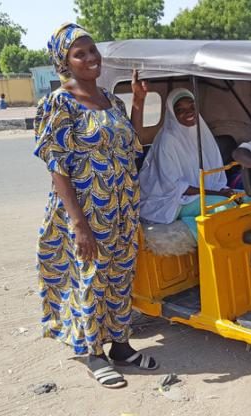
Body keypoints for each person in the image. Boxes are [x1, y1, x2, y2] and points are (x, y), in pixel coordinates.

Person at [34, 23, 157, 389]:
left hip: (121, 206)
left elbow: (131, 145)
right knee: (89, 279)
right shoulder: (59, 103)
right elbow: (57, 166)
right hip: (87, 210)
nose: (91, 58)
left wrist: (137, 103)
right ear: (65, 62)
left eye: (92, 51)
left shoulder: (111, 100)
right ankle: (93, 353)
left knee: (120, 277)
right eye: (80, 53)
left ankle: (120, 346)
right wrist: (78, 224)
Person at [138, 88, 239, 239]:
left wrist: (225, 190)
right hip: (170, 200)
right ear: (172, 113)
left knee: (245, 200)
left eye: (192, 107)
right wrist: (218, 194)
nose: (189, 112)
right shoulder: (168, 140)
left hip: (199, 194)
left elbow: (216, 173)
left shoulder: (201, 132)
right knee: (224, 207)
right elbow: (175, 186)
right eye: (180, 110)